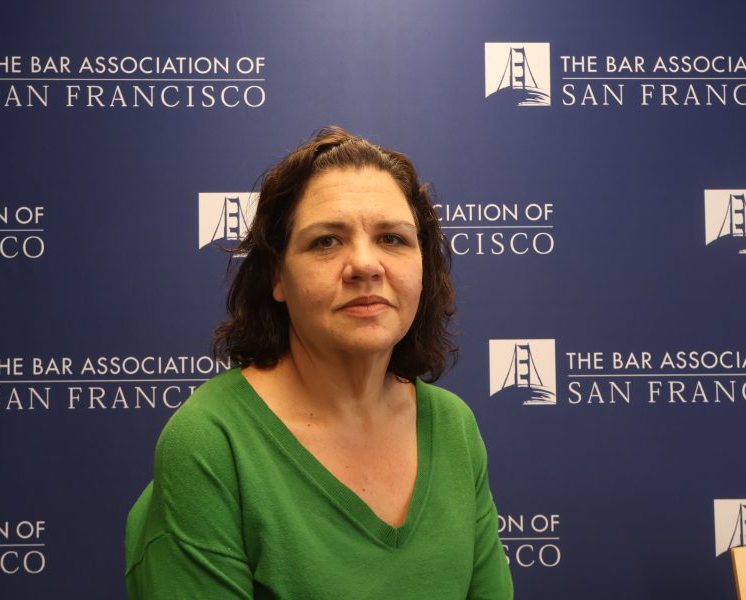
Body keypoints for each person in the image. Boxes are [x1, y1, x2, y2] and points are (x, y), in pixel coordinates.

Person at [125, 126, 513, 599]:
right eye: (327, 241)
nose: (366, 265)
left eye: (392, 238)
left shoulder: (455, 427)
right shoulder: (211, 442)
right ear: (277, 277)